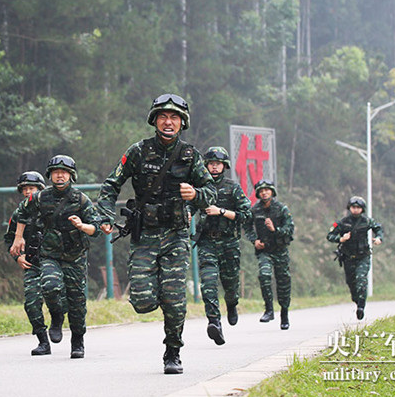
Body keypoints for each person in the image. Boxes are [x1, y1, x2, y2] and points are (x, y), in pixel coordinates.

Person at [97, 93, 216, 374]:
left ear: (182, 123)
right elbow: (111, 185)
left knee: (175, 300)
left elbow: (211, 192)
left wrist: (196, 193)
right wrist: (104, 216)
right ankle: (164, 297)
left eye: (174, 117)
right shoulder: (137, 151)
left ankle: (172, 352)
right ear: (154, 120)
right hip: (145, 235)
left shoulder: (191, 156)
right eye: (163, 116)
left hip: (175, 235)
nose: (168, 121)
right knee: (141, 300)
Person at [10, 155, 102, 359]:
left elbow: (96, 229)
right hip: (49, 255)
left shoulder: (81, 199)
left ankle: (78, 341)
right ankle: (57, 317)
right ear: (50, 175)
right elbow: (22, 213)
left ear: (71, 175)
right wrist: (17, 238)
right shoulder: (41, 197)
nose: (59, 175)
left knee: (77, 304)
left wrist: (81, 226)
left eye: (64, 172)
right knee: (50, 286)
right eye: (55, 172)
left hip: (75, 257)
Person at [190, 146, 252, 345]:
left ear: (224, 166)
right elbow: (188, 208)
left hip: (229, 243)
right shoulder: (199, 187)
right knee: (208, 283)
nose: (214, 167)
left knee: (230, 284)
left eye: (217, 164)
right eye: (211, 164)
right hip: (207, 242)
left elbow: (246, 215)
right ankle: (214, 322)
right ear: (206, 166)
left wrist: (221, 211)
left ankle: (232, 304)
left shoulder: (232, 188)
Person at [4, 171, 67, 356]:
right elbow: (9, 239)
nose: (27, 192)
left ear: (40, 189)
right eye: (24, 189)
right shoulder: (19, 214)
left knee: (57, 296)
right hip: (32, 263)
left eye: (31, 188)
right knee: (31, 303)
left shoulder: (52, 208)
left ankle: (58, 318)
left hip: (56, 262)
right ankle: (42, 341)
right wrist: (18, 257)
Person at [244, 179, 294, 330]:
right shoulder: (255, 210)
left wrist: (275, 229)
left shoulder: (282, 209)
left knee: (283, 282)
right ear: (258, 194)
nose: (264, 192)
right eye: (261, 190)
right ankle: (269, 309)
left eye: (267, 190)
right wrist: (254, 240)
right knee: (264, 275)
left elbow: (290, 230)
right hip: (264, 250)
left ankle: (284, 314)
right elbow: (247, 227)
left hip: (280, 250)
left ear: (272, 192)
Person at [327, 196, 384, 320]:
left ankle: (361, 307)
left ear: (362, 209)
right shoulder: (342, 222)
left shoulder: (366, 221)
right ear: (349, 208)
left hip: (363, 257)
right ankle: (357, 301)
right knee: (352, 284)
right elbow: (330, 235)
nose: (355, 210)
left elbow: (378, 228)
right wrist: (341, 239)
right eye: (353, 207)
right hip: (348, 258)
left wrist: (379, 238)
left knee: (361, 280)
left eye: (358, 208)